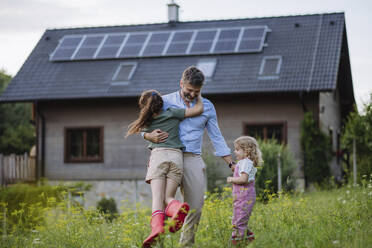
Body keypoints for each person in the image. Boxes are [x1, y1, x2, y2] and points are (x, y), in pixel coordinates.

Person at [143, 66, 235, 247]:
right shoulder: (165, 101)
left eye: (196, 91)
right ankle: (158, 242)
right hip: (164, 154)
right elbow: (143, 123)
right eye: (189, 90)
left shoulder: (207, 107)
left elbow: (216, 136)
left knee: (195, 205)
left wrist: (231, 163)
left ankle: (186, 245)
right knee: (160, 202)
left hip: (192, 157)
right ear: (181, 83)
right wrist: (148, 136)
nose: (192, 94)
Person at [126, 89, 204, 248]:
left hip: (159, 156)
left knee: (157, 198)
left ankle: (156, 229)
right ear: (162, 103)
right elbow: (197, 110)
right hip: (176, 157)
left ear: (145, 107)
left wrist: (147, 135)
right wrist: (199, 96)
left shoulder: (147, 120)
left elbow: (140, 130)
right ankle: (176, 209)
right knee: (168, 196)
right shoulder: (172, 112)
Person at [226, 136, 263, 245]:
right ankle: (248, 238)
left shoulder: (246, 163)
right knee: (238, 219)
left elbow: (243, 179)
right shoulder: (243, 162)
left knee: (239, 221)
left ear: (246, 151)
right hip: (242, 197)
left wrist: (231, 179)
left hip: (244, 197)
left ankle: (238, 242)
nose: (234, 151)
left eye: (237, 149)